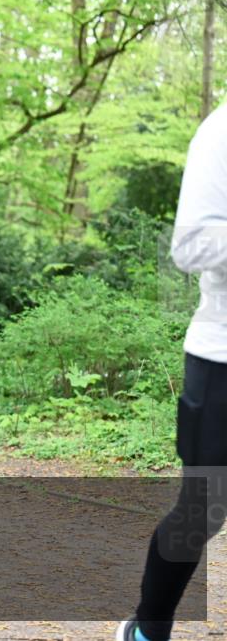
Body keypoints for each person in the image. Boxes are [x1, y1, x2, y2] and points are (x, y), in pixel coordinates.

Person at [116, 105, 227, 641]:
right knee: (203, 510)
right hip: (221, 359)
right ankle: (147, 628)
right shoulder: (221, 131)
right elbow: (189, 244)